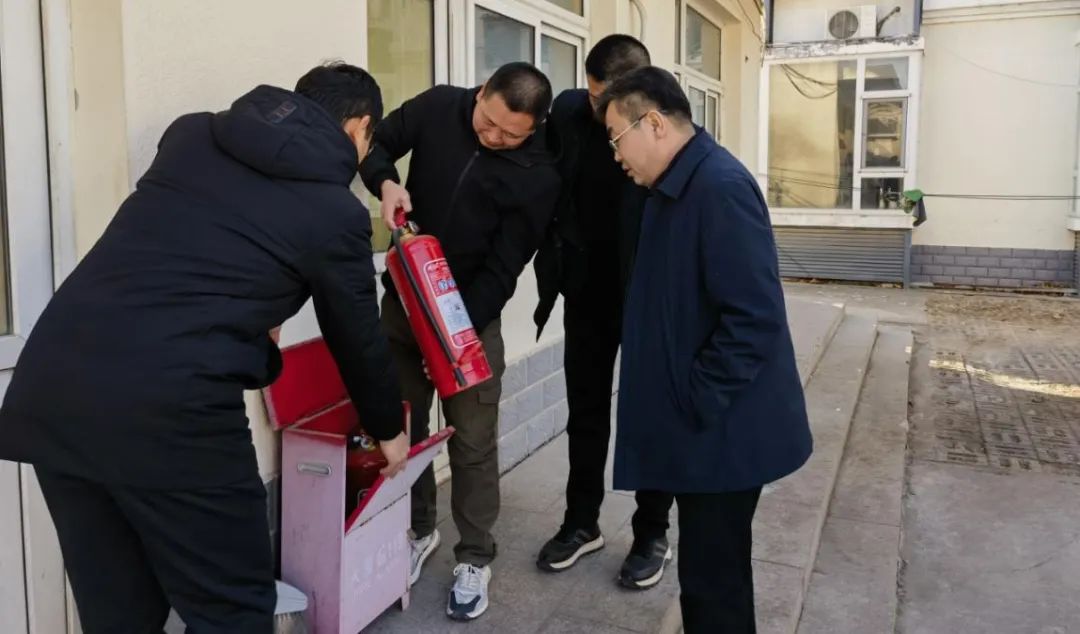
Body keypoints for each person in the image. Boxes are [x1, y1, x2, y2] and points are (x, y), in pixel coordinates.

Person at [0, 62, 409, 633]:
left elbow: (199, 250)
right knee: (231, 609)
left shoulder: (190, 136)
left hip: (55, 385)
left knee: (117, 610)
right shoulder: (334, 212)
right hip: (173, 410)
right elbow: (357, 336)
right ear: (359, 128)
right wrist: (389, 430)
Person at [598, 67, 813, 633]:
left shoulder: (718, 188)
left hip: (723, 429)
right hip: (703, 425)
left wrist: (697, 397)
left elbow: (754, 317)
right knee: (705, 574)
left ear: (654, 124)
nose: (616, 155)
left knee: (714, 581)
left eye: (617, 138)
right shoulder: (676, 186)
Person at [359, 61, 559, 621]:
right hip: (402, 303)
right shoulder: (439, 106)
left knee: (472, 440)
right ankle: (418, 529)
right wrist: (386, 182)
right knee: (404, 429)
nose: (492, 137)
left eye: (509, 135)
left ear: (534, 128)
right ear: (481, 91)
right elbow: (376, 143)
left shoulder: (539, 175)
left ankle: (474, 554)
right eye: (487, 121)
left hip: (468, 321)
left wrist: (449, 340)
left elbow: (504, 267)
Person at [532, 35, 676, 589]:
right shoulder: (570, 112)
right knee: (585, 412)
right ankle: (581, 522)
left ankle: (651, 532)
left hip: (647, 297)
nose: (594, 107)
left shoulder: (666, 130)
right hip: (586, 292)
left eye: (604, 99)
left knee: (650, 415)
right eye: (590, 94)